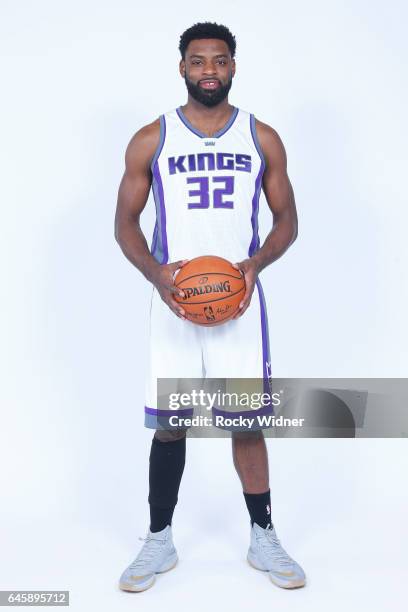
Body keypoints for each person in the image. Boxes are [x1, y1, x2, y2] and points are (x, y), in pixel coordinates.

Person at [114, 21, 305, 592]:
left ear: (233, 67)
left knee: (245, 426)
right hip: (175, 304)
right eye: (198, 61)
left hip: (238, 304)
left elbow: (288, 220)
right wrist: (156, 274)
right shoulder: (153, 138)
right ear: (182, 68)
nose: (208, 71)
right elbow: (124, 223)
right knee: (171, 427)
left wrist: (254, 266)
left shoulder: (261, 137)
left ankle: (263, 536)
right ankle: (158, 540)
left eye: (219, 61)